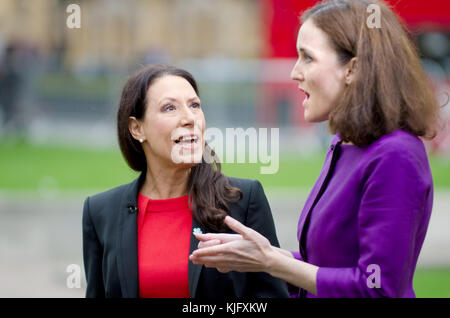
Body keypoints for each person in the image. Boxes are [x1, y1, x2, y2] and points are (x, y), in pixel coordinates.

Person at [190, 0, 441, 298]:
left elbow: (377, 288)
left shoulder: (395, 156)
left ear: (353, 69)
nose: (294, 72)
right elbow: (325, 265)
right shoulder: (343, 144)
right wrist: (261, 256)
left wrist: (271, 262)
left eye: (307, 58)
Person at [82, 64, 289, 298]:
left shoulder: (243, 200)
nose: (190, 118)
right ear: (137, 128)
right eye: (170, 108)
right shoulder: (100, 212)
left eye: (195, 105)